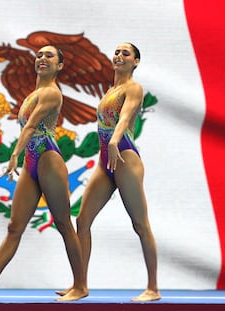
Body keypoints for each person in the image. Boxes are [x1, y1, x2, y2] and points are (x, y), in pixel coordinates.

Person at [0, 45, 88, 301]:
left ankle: (80, 286)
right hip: (32, 163)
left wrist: (13, 154)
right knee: (14, 226)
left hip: (48, 160)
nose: (42, 58)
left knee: (63, 224)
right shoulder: (34, 93)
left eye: (49, 55)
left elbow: (31, 126)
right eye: (39, 55)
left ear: (60, 66)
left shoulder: (52, 93)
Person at [57, 43, 161, 301]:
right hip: (107, 159)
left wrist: (114, 141)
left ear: (136, 62)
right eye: (116, 52)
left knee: (140, 224)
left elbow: (125, 118)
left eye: (126, 53)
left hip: (124, 155)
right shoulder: (111, 90)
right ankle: (80, 285)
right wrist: (108, 148)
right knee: (82, 221)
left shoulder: (133, 88)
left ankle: (153, 288)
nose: (119, 56)